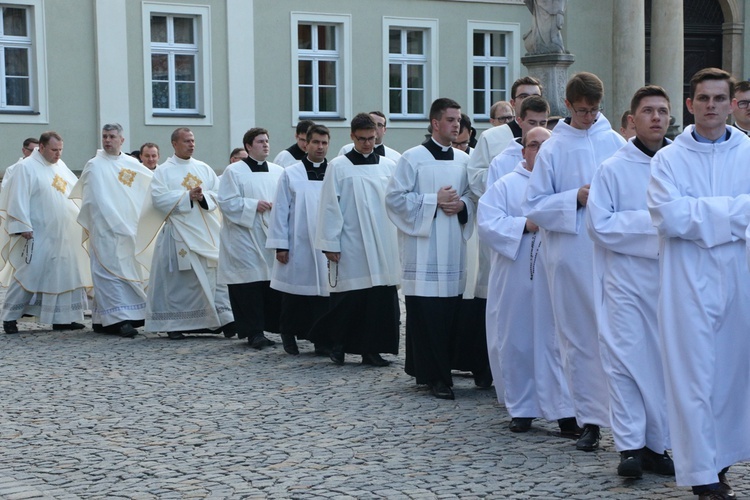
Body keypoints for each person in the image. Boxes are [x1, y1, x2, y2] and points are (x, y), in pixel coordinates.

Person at [648, 68, 750, 500]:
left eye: (719, 98)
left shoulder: (748, 152)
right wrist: (731, 215)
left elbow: (690, 216)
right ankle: (699, 472)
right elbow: (669, 217)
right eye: (703, 99)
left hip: (738, 276)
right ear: (690, 105)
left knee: (731, 373)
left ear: (731, 104)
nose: (712, 106)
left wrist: (700, 213)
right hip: (686, 279)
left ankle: (721, 459)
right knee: (691, 375)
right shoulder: (669, 159)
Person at [522, 72, 625, 452]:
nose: (588, 117)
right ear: (568, 106)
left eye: (594, 110)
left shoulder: (615, 143)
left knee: (617, 337)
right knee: (579, 339)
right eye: (582, 111)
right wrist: (573, 198)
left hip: (612, 254)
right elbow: (533, 205)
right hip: (569, 253)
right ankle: (590, 421)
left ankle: (629, 421)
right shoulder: (552, 148)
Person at [586, 86, 674, 479]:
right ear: (632, 119)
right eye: (648, 111)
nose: (656, 118)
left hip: (672, 283)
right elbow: (600, 225)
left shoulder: (679, 164)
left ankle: (658, 444)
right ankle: (630, 447)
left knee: (663, 367)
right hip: (623, 283)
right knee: (623, 364)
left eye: (662, 111)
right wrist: (661, 226)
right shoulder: (613, 168)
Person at [478, 126, 575, 433]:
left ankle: (566, 411)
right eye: (533, 145)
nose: (539, 151)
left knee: (558, 343)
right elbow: (488, 224)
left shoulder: (563, 187)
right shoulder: (506, 186)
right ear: (523, 151)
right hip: (516, 278)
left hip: (556, 278)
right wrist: (525, 224)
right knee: (517, 340)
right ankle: (522, 407)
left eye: (546, 146)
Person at [386, 98, 474, 400]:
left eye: (459, 120)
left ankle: (441, 369)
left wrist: (463, 206)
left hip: (453, 251)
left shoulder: (464, 161)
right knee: (427, 315)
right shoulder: (413, 158)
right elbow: (395, 200)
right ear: (435, 123)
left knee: (449, 314)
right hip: (423, 252)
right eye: (451, 120)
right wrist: (432, 200)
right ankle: (434, 376)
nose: (457, 125)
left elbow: (472, 198)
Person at [310, 113, 400, 367]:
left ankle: (371, 350)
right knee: (349, 300)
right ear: (352, 137)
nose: (367, 144)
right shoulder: (338, 166)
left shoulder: (388, 165)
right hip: (351, 241)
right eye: (362, 139)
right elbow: (329, 206)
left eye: (371, 138)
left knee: (377, 300)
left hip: (382, 240)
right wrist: (330, 243)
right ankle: (338, 346)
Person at [141, 128, 234, 339]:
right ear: (174, 144)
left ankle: (223, 319)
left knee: (214, 277)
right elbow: (158, 199)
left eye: (192, 141)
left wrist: (202, 197)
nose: (191, 144)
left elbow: (219, 194)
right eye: (186, 141)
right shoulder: (163, 171)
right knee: (181, 281)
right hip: (179, 234)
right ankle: (175, 323)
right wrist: (186, 196)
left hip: (206, 233)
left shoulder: (204, 168)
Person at [69, 123, 155, 338]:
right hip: (106, 230)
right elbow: (94, 199)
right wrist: (114, 223)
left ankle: (101, 320)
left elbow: (151, 187)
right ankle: (120, 320)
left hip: (131, 230)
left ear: (122, 140)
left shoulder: (131, 164)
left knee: (128, 271)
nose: (107, 140)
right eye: (105, 136)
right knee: (108, 273)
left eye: (112, 136)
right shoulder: (95, 165)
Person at [1, 132, 91, 334]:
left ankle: (63, 318)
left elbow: (74, 192)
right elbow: (17, 197)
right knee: (29, 273)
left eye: (60, 149)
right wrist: (22, 225)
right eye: (54, 150)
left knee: (66, 274)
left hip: (65, 232)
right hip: (38, 232)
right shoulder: (25, 168)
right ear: (40, 147)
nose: (58, 154)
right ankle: (9, 317)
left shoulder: (60, 165)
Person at [267, 125, 332, 355]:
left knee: (323, 296)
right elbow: (280, 211)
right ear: (306, 144)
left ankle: (321, 339)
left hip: (324, 244)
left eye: (324, 143)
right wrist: (281, 245)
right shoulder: (291, 173)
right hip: (298, 243)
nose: (320, 147)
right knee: (294, 295)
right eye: (316, 142)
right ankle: (288, 333)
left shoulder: (334, 172)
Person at [217, 128, 283, 349]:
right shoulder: (233, 171)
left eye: (267, 141)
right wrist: (254, 205)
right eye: (260, 141)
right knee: (248, 285)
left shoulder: (278, 171)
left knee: (269, 284)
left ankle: (272, 327)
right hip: (243, 236)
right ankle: (253, 332)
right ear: (248, 146)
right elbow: (226, 202)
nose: (265, 145)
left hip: (270, 234)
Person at [468, 76, 543, 198]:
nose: (530, 101)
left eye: (535, 96)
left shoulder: (551, 137)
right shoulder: (490, 137)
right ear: (512, 103)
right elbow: (475, 178)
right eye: (524, 97)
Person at [488, 95, 550, 187]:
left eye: (542, 123)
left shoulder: (555, 155)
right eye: (532, 123)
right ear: (519, 121)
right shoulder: (500, 162)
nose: (537, 128)